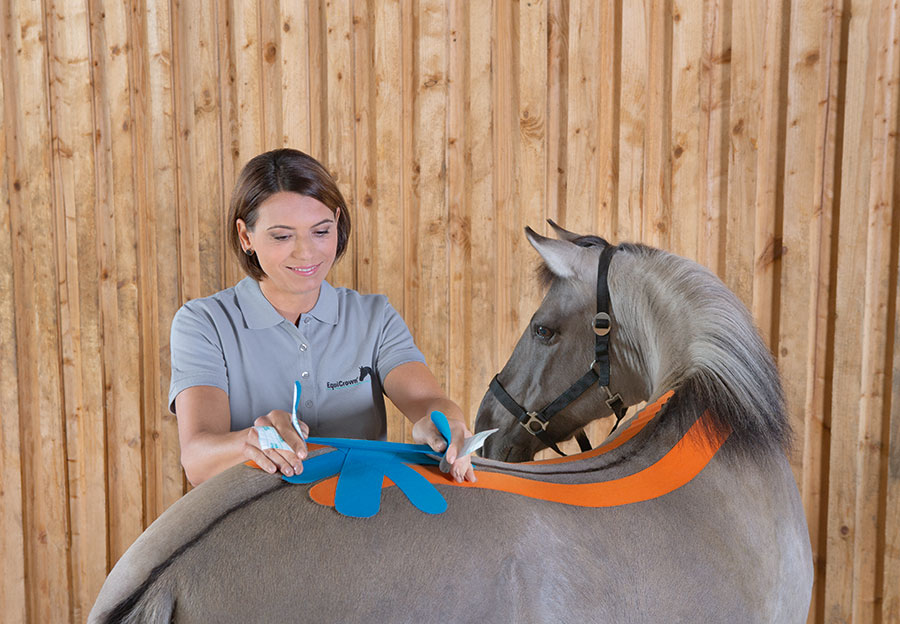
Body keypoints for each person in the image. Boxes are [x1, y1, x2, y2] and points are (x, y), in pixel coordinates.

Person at [168, 148, 475, 486]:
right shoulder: (204, 323)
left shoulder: (374, 317)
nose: (307, 252)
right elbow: (197, 460)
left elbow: (426, 402)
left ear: (338, 223)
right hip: (249, 527)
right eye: (282, 236)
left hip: (362, 520)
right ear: (246, 237)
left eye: (321, 231)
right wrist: (252, 443)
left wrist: (447, 422)